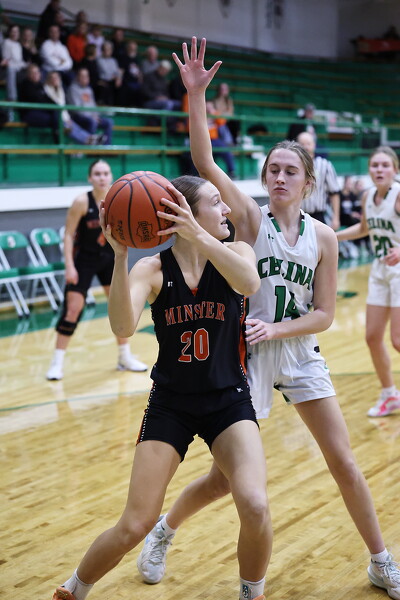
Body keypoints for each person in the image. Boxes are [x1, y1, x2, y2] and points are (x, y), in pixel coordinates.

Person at [135, 37, 400, 600]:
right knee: (224, 482)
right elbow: (204, 163)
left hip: (296, 350)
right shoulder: (251, 220)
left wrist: (279, 328)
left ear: (309, 181)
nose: (279, 177)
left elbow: (325, 315)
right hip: (246, 356)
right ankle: (163, 529)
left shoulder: (323, 237)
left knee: (344, 460)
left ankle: (381, 561)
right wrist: (197, 96)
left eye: (290, 171)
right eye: (273, 169)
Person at [49, 174, 271, 600]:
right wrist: (119, 258)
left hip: (228, 399)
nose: (226, 209)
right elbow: (122, 326)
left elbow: (249, 283)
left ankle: (252, 593)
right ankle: (74, 589)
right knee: (134, 524)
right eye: (216, 202)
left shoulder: (236, 252)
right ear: (183, 212)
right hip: (171, 403)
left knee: (256, 504)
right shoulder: (151, 269)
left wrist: (198, 235)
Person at [46, 159, 147, 381]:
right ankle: (57, 362)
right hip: (84, 260)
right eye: (97, 174)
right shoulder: (82, 202)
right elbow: (68, 235)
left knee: (120, 307)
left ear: (111, 176)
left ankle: (124, 357)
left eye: (105, 173)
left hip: (109, 259)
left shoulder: (119, 200)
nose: (102, 177)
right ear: (90, 178)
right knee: (73, 309)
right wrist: (69, 266)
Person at [337, 146, 400, 418]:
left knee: (397, 340)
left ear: (395, 169)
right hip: (380, 268)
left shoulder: (398, 194)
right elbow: (364, 229)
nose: (379, 169)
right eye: (375, 165)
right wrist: (332, 236)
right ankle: (390, 395)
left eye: (385, 165)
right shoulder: (367, 196)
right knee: (372, 337)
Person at [297, 131, 341, 230]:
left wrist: (336, 218)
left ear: (314, 145)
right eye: (302, 144)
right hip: (297, 216)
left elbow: (334, 193)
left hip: (318, 216)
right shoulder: (292, 166)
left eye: (308, 143)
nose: (306, 147)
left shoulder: (325, 164)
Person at [44, 71, 102, 145]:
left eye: (56, 78)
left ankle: (91, 139)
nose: (55, 79)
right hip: (56, 119)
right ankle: (90, 140)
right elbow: (56, 108)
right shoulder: (46, 90)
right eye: (52, 78)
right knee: (69, 128)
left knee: (76, 128)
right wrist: (65, 119)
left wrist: (68, 118)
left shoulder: (60, 90)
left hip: (64, 117)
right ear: (48, 79)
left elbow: (63, 107)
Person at [67, 67, 113, 145]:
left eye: (87, 76)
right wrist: (92, 117)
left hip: (91, 117)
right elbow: (76, 109)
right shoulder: (72, 89)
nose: (85, 78)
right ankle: (90, 148)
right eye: (83, 76)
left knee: (109, 122)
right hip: (77, 117)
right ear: (77, 77)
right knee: (92, 122)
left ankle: (106, 148)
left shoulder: (89, 89)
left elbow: (93, 106)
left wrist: (95, 115)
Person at [96, 40, 122, 106]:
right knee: (105, 88)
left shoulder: (113, 60)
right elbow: (106, 72)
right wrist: (114, 76)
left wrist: (118, 78)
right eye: (105, 49)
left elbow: (117, 72)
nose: (107, 51)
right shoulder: (99, 60)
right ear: (102, 50)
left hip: (112, 82)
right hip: (102, 82)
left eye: (109, 49)